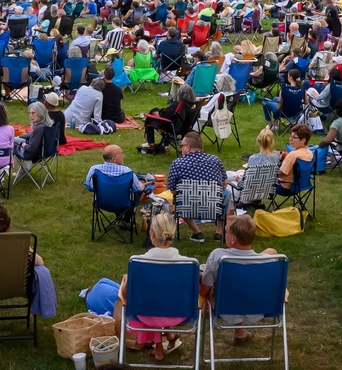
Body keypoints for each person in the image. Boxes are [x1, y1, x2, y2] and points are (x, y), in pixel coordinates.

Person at [199, 214, 279, 342]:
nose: (224, 233)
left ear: (233, 239)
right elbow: (271, 252)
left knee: (212, 285)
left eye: (226, 231)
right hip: (259, 306)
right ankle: (240, 332)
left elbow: (204, 291)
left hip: (225, 308)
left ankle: (237, 330)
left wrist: (203, 280)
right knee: (270, 252)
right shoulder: (267, 260)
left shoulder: (218, 256)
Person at [119, 211, 185, 360]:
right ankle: (168, 335)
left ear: (152, 234)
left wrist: (125, 282)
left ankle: (159, 348)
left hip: (147, 313)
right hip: (176, 313)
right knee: (161, 296)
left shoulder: (139, 262)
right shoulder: (186, 264)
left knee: (150, 300)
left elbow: (125, 294)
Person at [166, 132, 227, 242]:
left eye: (182, 146)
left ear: (188, 147)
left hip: (187, 208)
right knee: (227, 195)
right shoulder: (216, 160)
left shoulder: (177, 164)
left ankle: (196, 232)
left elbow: (173, 190)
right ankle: (219, 231)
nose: (181, 149)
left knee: (179, 197)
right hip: (214, 207)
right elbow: (224, 184)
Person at [84, 143, 155, 196]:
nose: (123, 156)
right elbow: (137, 189)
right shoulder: (126, 171)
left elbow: (90, 186)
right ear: (114, 158)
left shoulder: (94, 169)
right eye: (121, 154)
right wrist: (144, 185)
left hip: (102, 203)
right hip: (124, 203)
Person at [13, 101, 52, 171]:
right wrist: (19, 137)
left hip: (30, 155)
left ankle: (20, 170)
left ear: (40, 113)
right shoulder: (46, 125)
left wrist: (22, 143)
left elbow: (30, 149)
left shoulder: (39, 128)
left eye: (33, 113)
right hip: (43, 152)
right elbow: (32, 134)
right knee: (14, 140)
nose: (31, 115)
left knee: (12, 144)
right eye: (30, 113)